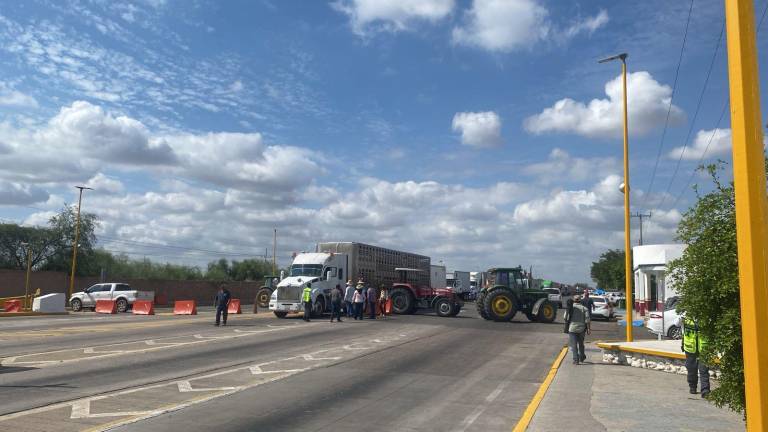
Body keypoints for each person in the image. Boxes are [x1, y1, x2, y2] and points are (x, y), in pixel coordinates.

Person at [677, 314, 710, 397]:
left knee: (704, 369)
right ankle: (692, 387)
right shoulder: (685, 316)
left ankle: (705, 390)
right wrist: (682, 317)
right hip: (690, 348)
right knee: (691, 369)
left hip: (704, 348)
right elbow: (676, 324)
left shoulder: (706, 315)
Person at [564, 294, 590, 364]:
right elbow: (587, 320)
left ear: (573, 300)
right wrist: (589, 329)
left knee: (574, 345)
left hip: (572, 328)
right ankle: (582, 357)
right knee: (581, 343)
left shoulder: (570, 308)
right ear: (580, 300)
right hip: (582, 329)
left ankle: (576, 360)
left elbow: (565, 317)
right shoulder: (585, 308)